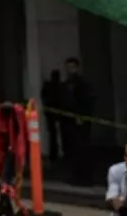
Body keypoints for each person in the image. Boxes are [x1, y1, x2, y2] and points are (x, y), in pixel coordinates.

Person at [61, 57, 95, 185]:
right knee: (71, 148)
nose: (69, 70)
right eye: (68, 67)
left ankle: (85, 177)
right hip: (68, 120)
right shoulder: (67, 83)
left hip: (80, 120)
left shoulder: (83, 83)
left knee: (82, 148)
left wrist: (82, 115)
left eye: (72, 67)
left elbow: (88, 100)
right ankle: (74, 176)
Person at [41, 69, 64, 162]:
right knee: (55, 134)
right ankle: (55, 154)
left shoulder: (51, 85)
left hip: (53, 112)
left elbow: (43, 96)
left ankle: (54, 154)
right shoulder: (59, 86)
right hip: (55, 112)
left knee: (53, 134)